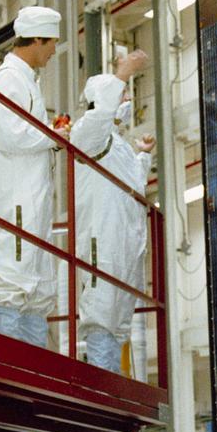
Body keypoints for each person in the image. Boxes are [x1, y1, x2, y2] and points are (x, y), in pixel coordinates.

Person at [0, 5, 66, 346]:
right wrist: (54, 136)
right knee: (14, 278)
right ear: (36, 39)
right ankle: (7, 360)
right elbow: (11, 134)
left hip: (33, 199)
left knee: (37, 282)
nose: (54, 51)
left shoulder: (27, 82)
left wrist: (52, 135)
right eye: (52, 43)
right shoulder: (7, 79)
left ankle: (34, 363)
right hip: (17, 198)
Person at [69, 51, 154, 373]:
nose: (127, 98)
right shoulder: (87, 134)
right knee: (102, 313)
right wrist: (122, 72)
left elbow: (132, 184)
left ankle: (113, 379)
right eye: (122, 93)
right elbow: (102, 111)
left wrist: (142, 157)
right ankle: (102, 378)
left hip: (125, 243)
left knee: (119, 316)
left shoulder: (115, 142)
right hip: (101, 242)